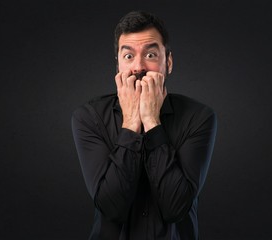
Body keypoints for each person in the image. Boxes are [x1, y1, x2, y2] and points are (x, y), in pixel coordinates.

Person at [71, 10, 217, 240]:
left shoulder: (198, 117)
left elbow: (176, 208)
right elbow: (111, 208)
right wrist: (130, 123)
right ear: (118, 65)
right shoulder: (90, 117)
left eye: (150, 54)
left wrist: (151, 121)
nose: (138, 67)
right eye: (128, 56)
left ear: (167, 62)